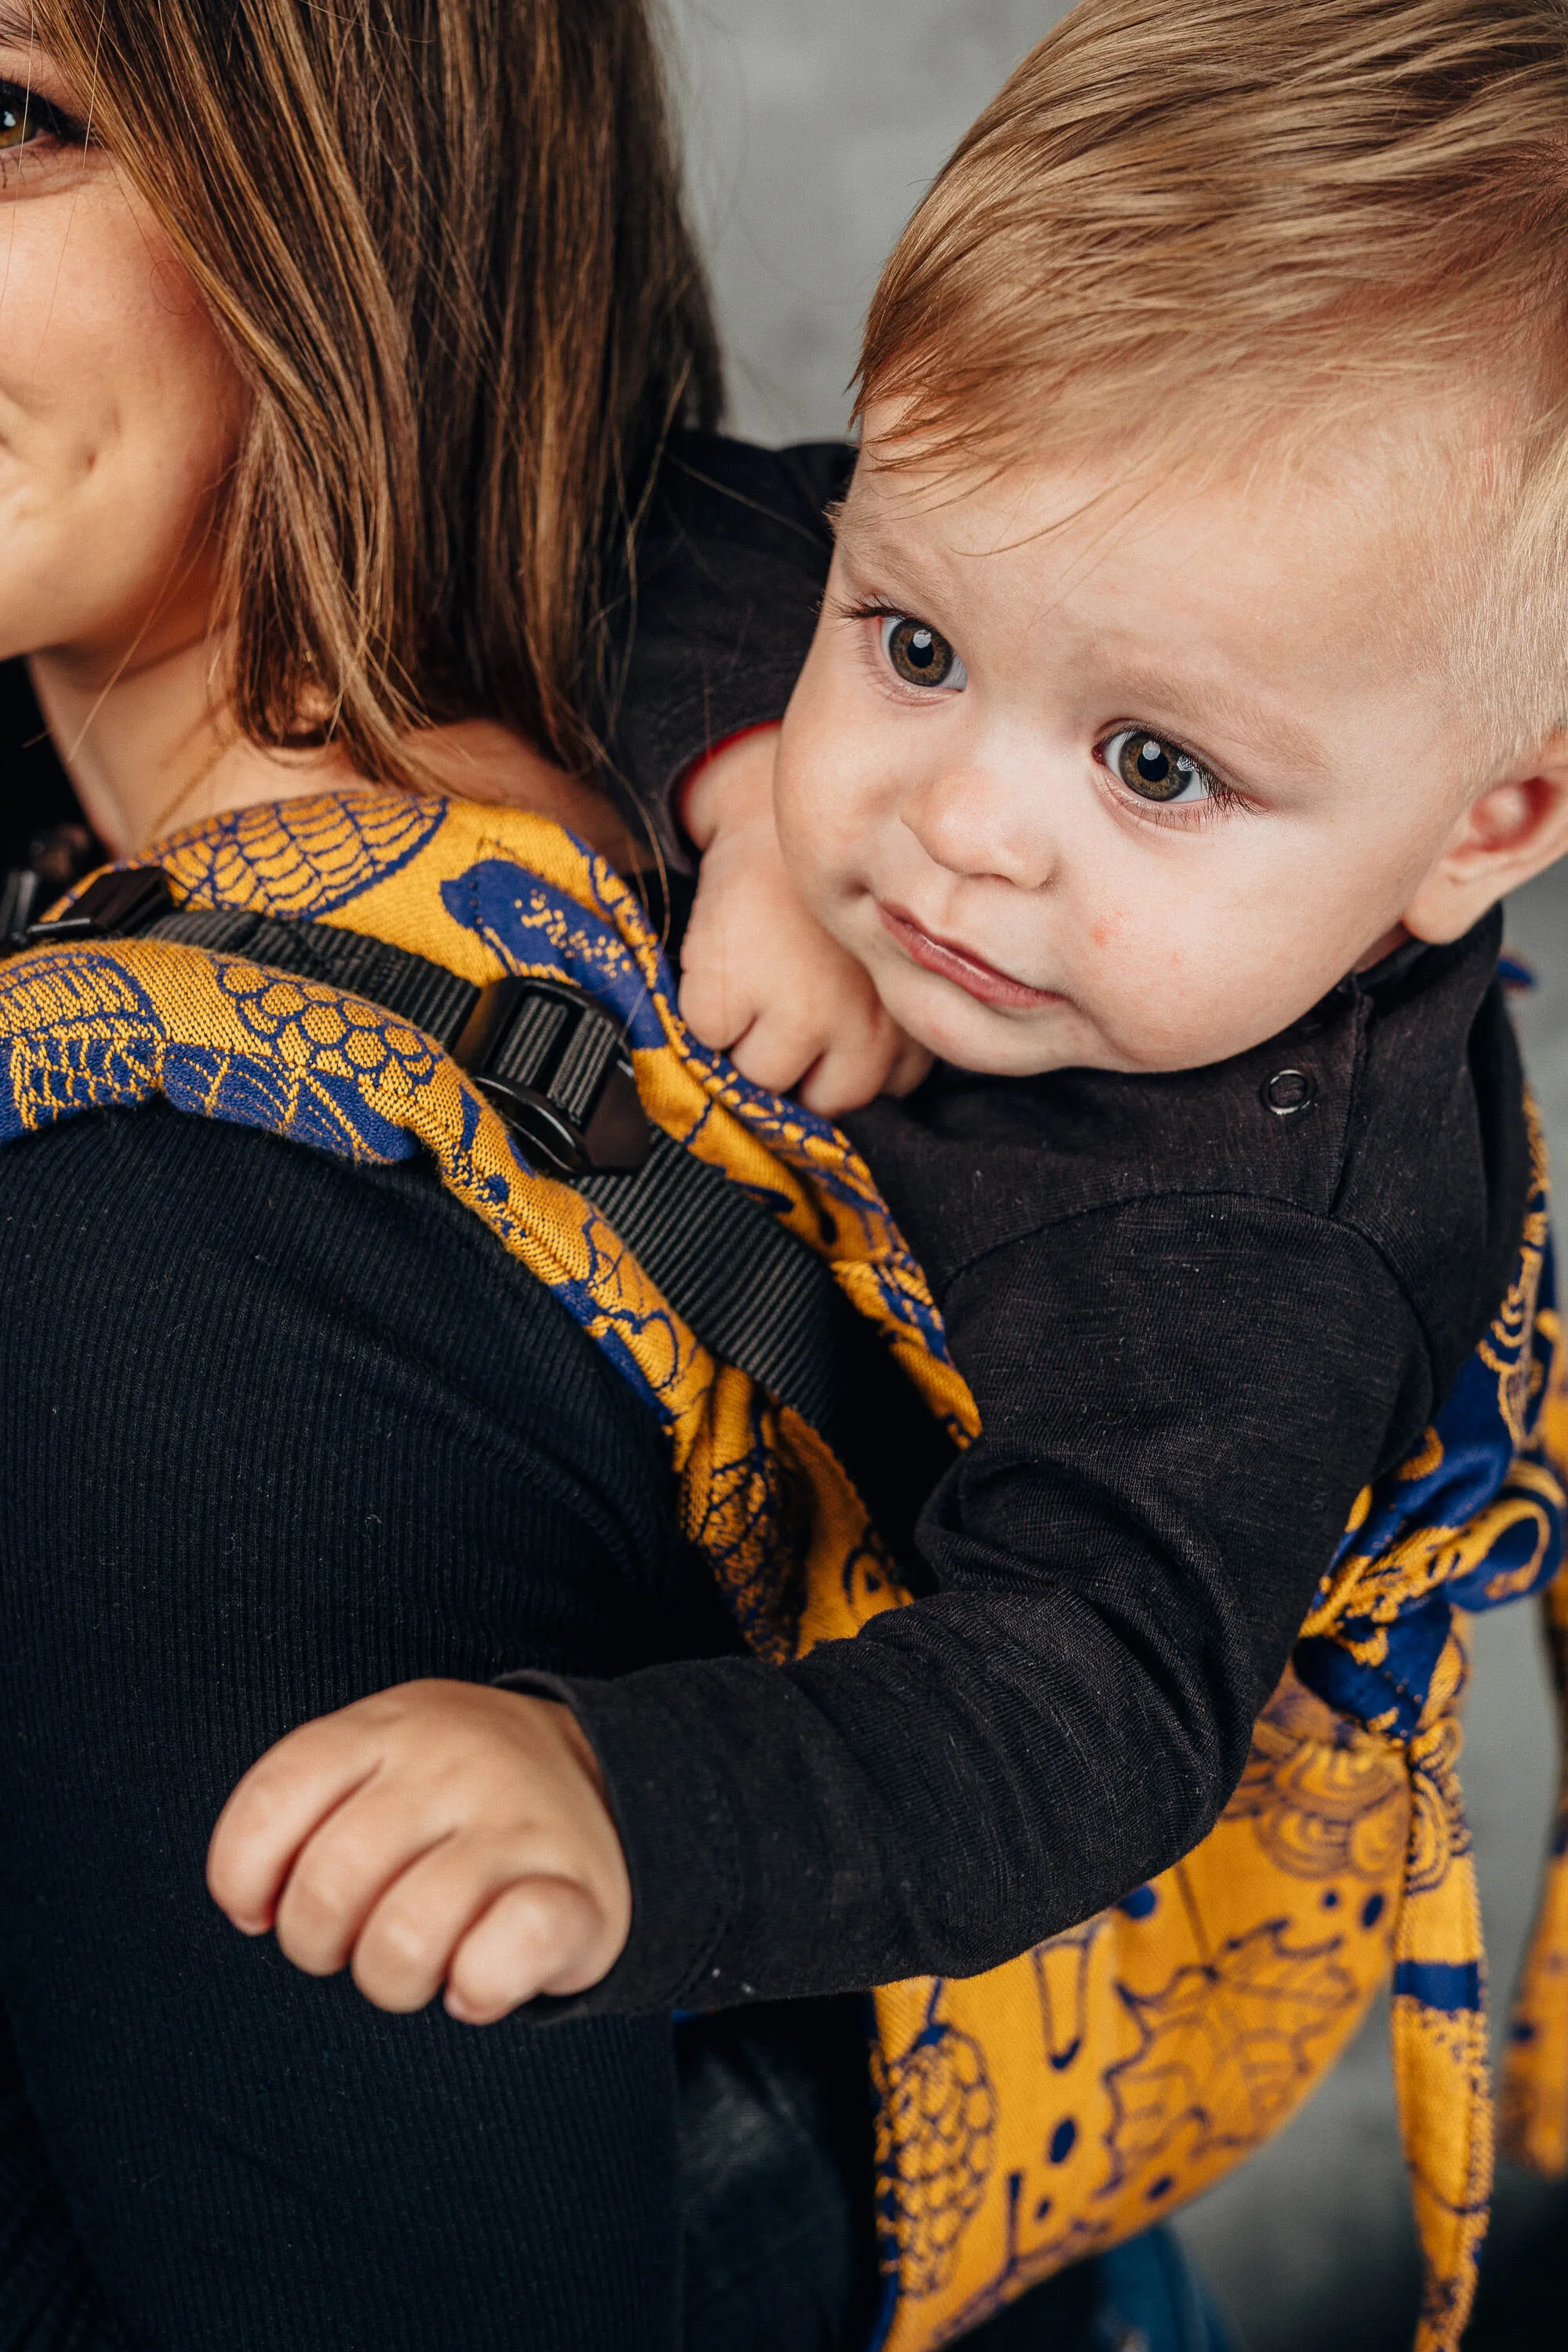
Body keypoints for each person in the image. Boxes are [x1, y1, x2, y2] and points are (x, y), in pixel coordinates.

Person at [203, 4, 1568, 2347]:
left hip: (945, 1952)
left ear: (1489, 828)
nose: (960, 821)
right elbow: (663, 536)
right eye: (916, 644)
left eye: (1154, 765)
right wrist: (741, 786)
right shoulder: (945, 618)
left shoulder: (1251, 1244)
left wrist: (624, 1810)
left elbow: (1080, 1712)